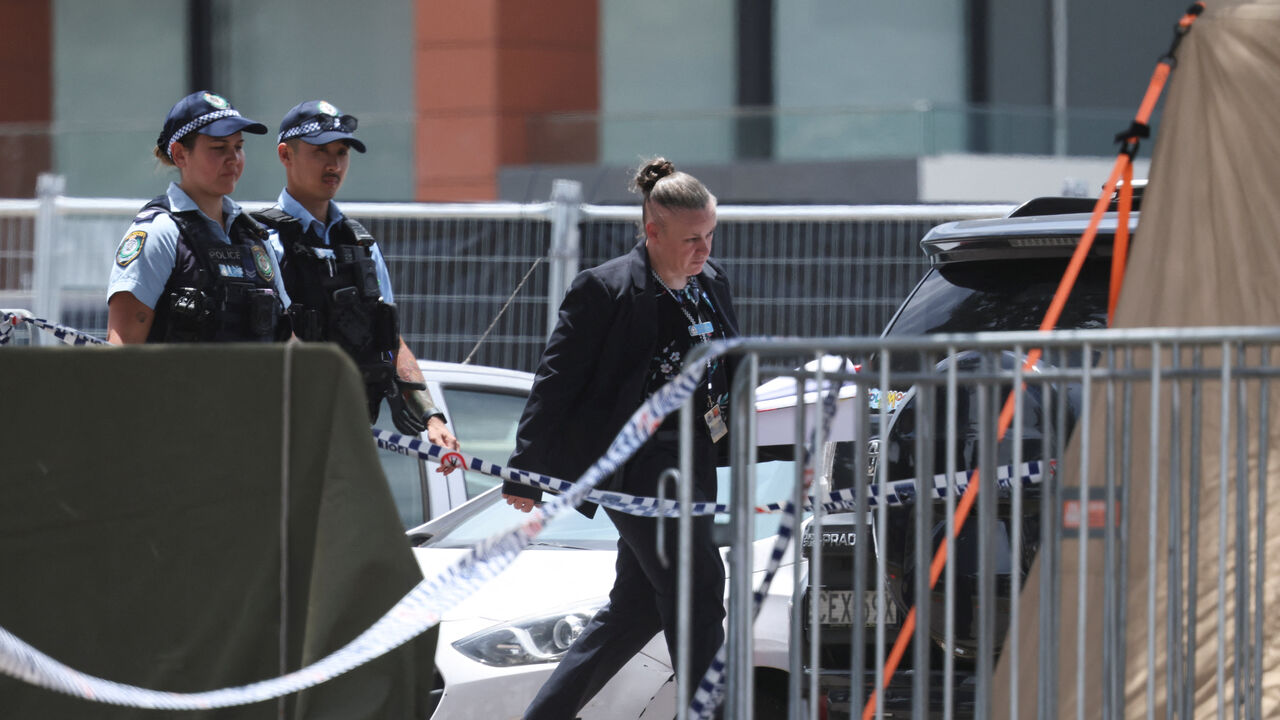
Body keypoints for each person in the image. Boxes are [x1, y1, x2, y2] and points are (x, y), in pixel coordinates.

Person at [501, 158, 739, 718]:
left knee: (637, 607)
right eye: (691, 239)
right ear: (652, 232)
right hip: (635, 466)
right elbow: (555, 383)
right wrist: (526, 469)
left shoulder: (712, 284)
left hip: (694, 461)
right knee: (698, 588)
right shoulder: (605, 290)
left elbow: (731, 367)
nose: (703, 250)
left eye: (709, 236)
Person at [252, 99, 459, 449]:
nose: (334, 164)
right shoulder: (260, 240)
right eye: (320, 152)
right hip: (282, 437)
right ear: (285, 155)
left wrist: (431, 416)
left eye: (342, 152)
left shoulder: (361, 243)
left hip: (353, 434)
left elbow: (390, 337)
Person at [107, 90, 288, 344]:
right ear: (180, 154)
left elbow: (287, 340)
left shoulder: (255, 237)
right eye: (218, 148)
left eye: (238, 147)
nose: (233, 159)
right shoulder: (159, 234)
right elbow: (122, 347)